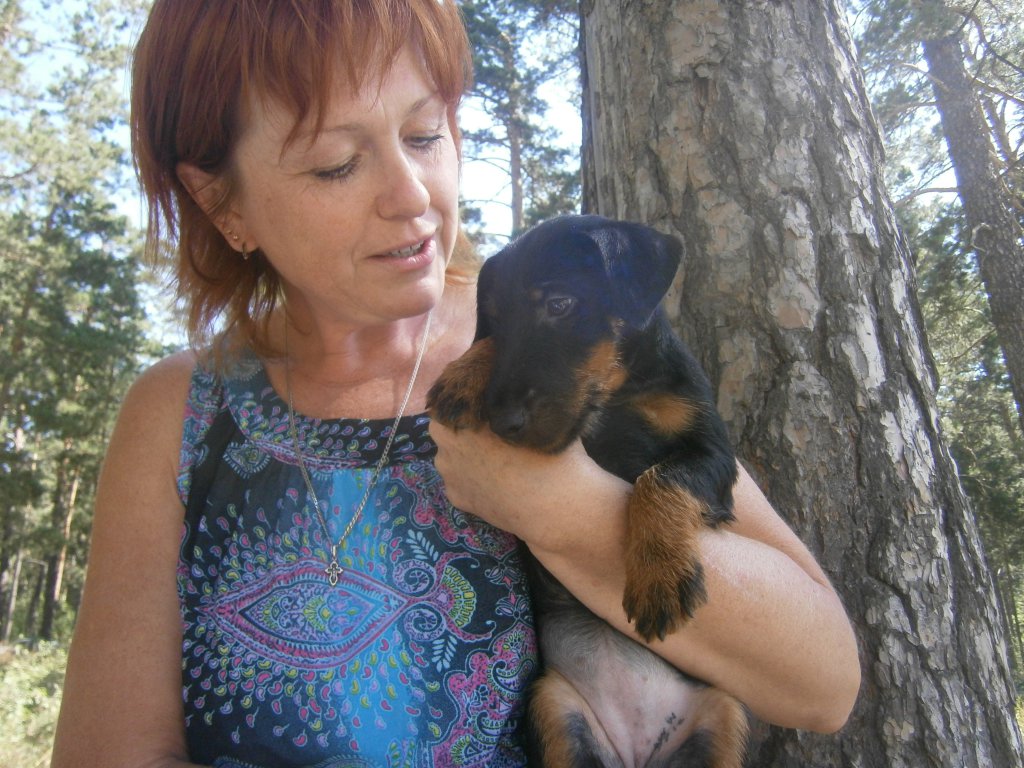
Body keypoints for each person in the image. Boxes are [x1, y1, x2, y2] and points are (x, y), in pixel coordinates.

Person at [50, 1, 860, 766]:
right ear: (220, 200)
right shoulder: (182, 414)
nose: (412, 195)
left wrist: (567, 510)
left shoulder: (558, 339)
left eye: (425, 133)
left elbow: (825, 684)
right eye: (336, 164)